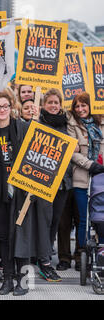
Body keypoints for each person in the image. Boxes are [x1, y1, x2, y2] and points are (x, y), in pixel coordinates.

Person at [0, 91, 51, 295]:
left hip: (21, 193)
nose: (2, 110)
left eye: (5, 106)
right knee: (3, 237)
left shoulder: (23, 128)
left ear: (11, 106)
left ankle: (24, 281)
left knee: (22, 237)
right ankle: (7, 279)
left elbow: (38, 154)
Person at [36, 88, 72, 282]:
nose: (53, 105)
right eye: (49, 102)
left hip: (63, 182)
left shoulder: (67, 124)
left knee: (54, 222)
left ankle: (46, 255)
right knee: (44, 221)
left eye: (56, 103)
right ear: (43, 105)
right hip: (43, 181)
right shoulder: (37, 123)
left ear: (60, 105)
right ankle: (44, 262)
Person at [67, 92, 104, 271]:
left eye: (84, 105)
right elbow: (72, 151)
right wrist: (90, 164)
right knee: (84, 218)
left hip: (101, 178)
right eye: (77, 106)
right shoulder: (72, 124)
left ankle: (101, 249)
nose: (80, 109)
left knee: (101, 215)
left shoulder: (101, 122)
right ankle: (83, 252)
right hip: (81, 177)